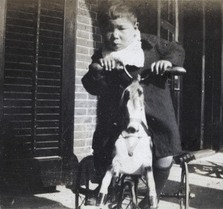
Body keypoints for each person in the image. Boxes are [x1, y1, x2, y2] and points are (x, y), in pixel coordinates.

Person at [81, 1, 185, 208]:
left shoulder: (151, 45)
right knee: (104, 149)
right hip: (117, 116)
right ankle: (106, 188)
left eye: (121, 28)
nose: (115, 35)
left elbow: (177, 49)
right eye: (109, 30)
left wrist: (168, 63)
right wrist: (96, 70)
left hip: (155, 113)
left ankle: (151, 199)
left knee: (164, 155)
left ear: (135, 27)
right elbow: (92, 86)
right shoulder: (103, 55)